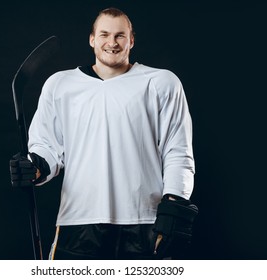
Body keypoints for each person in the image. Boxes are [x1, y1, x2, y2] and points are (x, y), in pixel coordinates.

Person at [10, 7, 198, 260]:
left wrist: (175, 205)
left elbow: (178, 151)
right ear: (92, 39)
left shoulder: (162, 83)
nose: (112, 42)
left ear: (131, 40)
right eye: (104, 34)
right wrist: (34, 166)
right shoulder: (60, 84)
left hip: (145, 221)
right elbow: (47, 146)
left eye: (120, 35)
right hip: (79, 221)